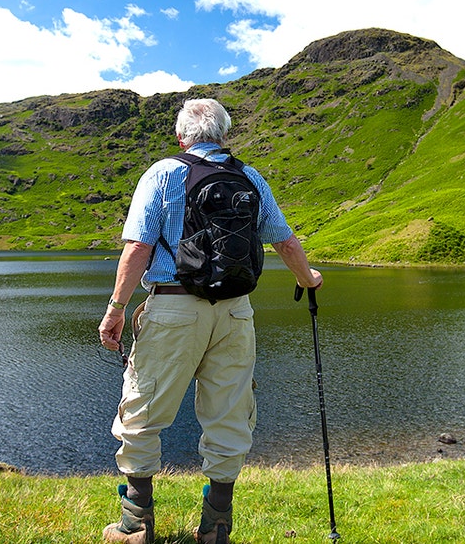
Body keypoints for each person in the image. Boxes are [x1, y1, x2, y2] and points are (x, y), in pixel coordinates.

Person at [98, 98, 323, 544]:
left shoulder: (163, 173)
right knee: (229, 414)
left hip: (175, 309)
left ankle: (135, 524)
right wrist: (308, 278)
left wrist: (116, 309)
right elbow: (286, 242)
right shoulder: (250, 178)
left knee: (143, 410)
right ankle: (217, 525)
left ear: (182, 137)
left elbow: (138, 248)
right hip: (236, 312)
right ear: (225, 136)